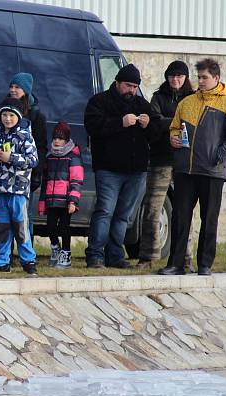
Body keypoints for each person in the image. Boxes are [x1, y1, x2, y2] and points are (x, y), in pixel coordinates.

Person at [159, 58, 226, 276]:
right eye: (199, 77)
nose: (201, 81)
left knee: (209, 219)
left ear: (216, 78)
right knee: (180, 217)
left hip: (213, 172)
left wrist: (217, 156)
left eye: (205, 77)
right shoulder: (186, 103)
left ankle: (205, 264)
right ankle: (176, 264)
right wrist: (174, 138)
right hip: (186, 170)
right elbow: (175, 128)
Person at [83, 63, 160, 269]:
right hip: (108, 169)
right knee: (105, 211)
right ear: (117, 83)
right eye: (128, 85)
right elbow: (93, 127)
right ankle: (95, 255)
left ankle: (115, 256)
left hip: (136, 171)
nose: (132, 90)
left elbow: (156, 135)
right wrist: (121, 123)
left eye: (135, 86)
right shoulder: (99, 102)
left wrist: (148, 125)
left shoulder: (143, 105)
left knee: (123, 215)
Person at [137, 60, 195, 271]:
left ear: (185, 78)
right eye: (172, 76)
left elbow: (193, 124)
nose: (175, 79)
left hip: (185, 161)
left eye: (179, 76)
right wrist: (176, 123)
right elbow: (153, 121)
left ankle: (186, 258)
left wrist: (165, 122)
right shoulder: (158, 97)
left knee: (184, 210)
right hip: (160, 159)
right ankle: (147, 257)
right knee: (152, 209)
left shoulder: (193, 98)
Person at [0, 98, 39, 275]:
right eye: (4, 114)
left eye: (11, 115)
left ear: (18, 117)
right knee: (2, 227)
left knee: (20, 226)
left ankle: (28, 260)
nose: (7, 118)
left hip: (17, 190)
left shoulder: (25, 135)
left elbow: (33, 160)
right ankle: (2, 261)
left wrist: (11, 158)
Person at [0, 73, 48, 237]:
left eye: (17, 87)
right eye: (12, 86)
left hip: (24, 176)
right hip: (2, 174)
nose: (13, 90)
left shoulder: (36, 115)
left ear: (26, 90)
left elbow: (41, 147)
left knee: (24, 216)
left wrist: (37, 173)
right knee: (3, 218)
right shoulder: (2, 109)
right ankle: (5, 255)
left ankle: (26, 253)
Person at [38, 121, 84, 269]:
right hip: (51, 201)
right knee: (50, 227)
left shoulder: (73, 157)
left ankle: (66, 253)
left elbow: (76, 181)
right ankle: (55, 248)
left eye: (61, 138)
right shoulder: (49, 157)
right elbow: (45, 182)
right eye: (55, 138)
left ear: (66, 140)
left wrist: (73, 201)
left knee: (64, 227)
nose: (57, 141)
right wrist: (42, 202)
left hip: (65, 201)